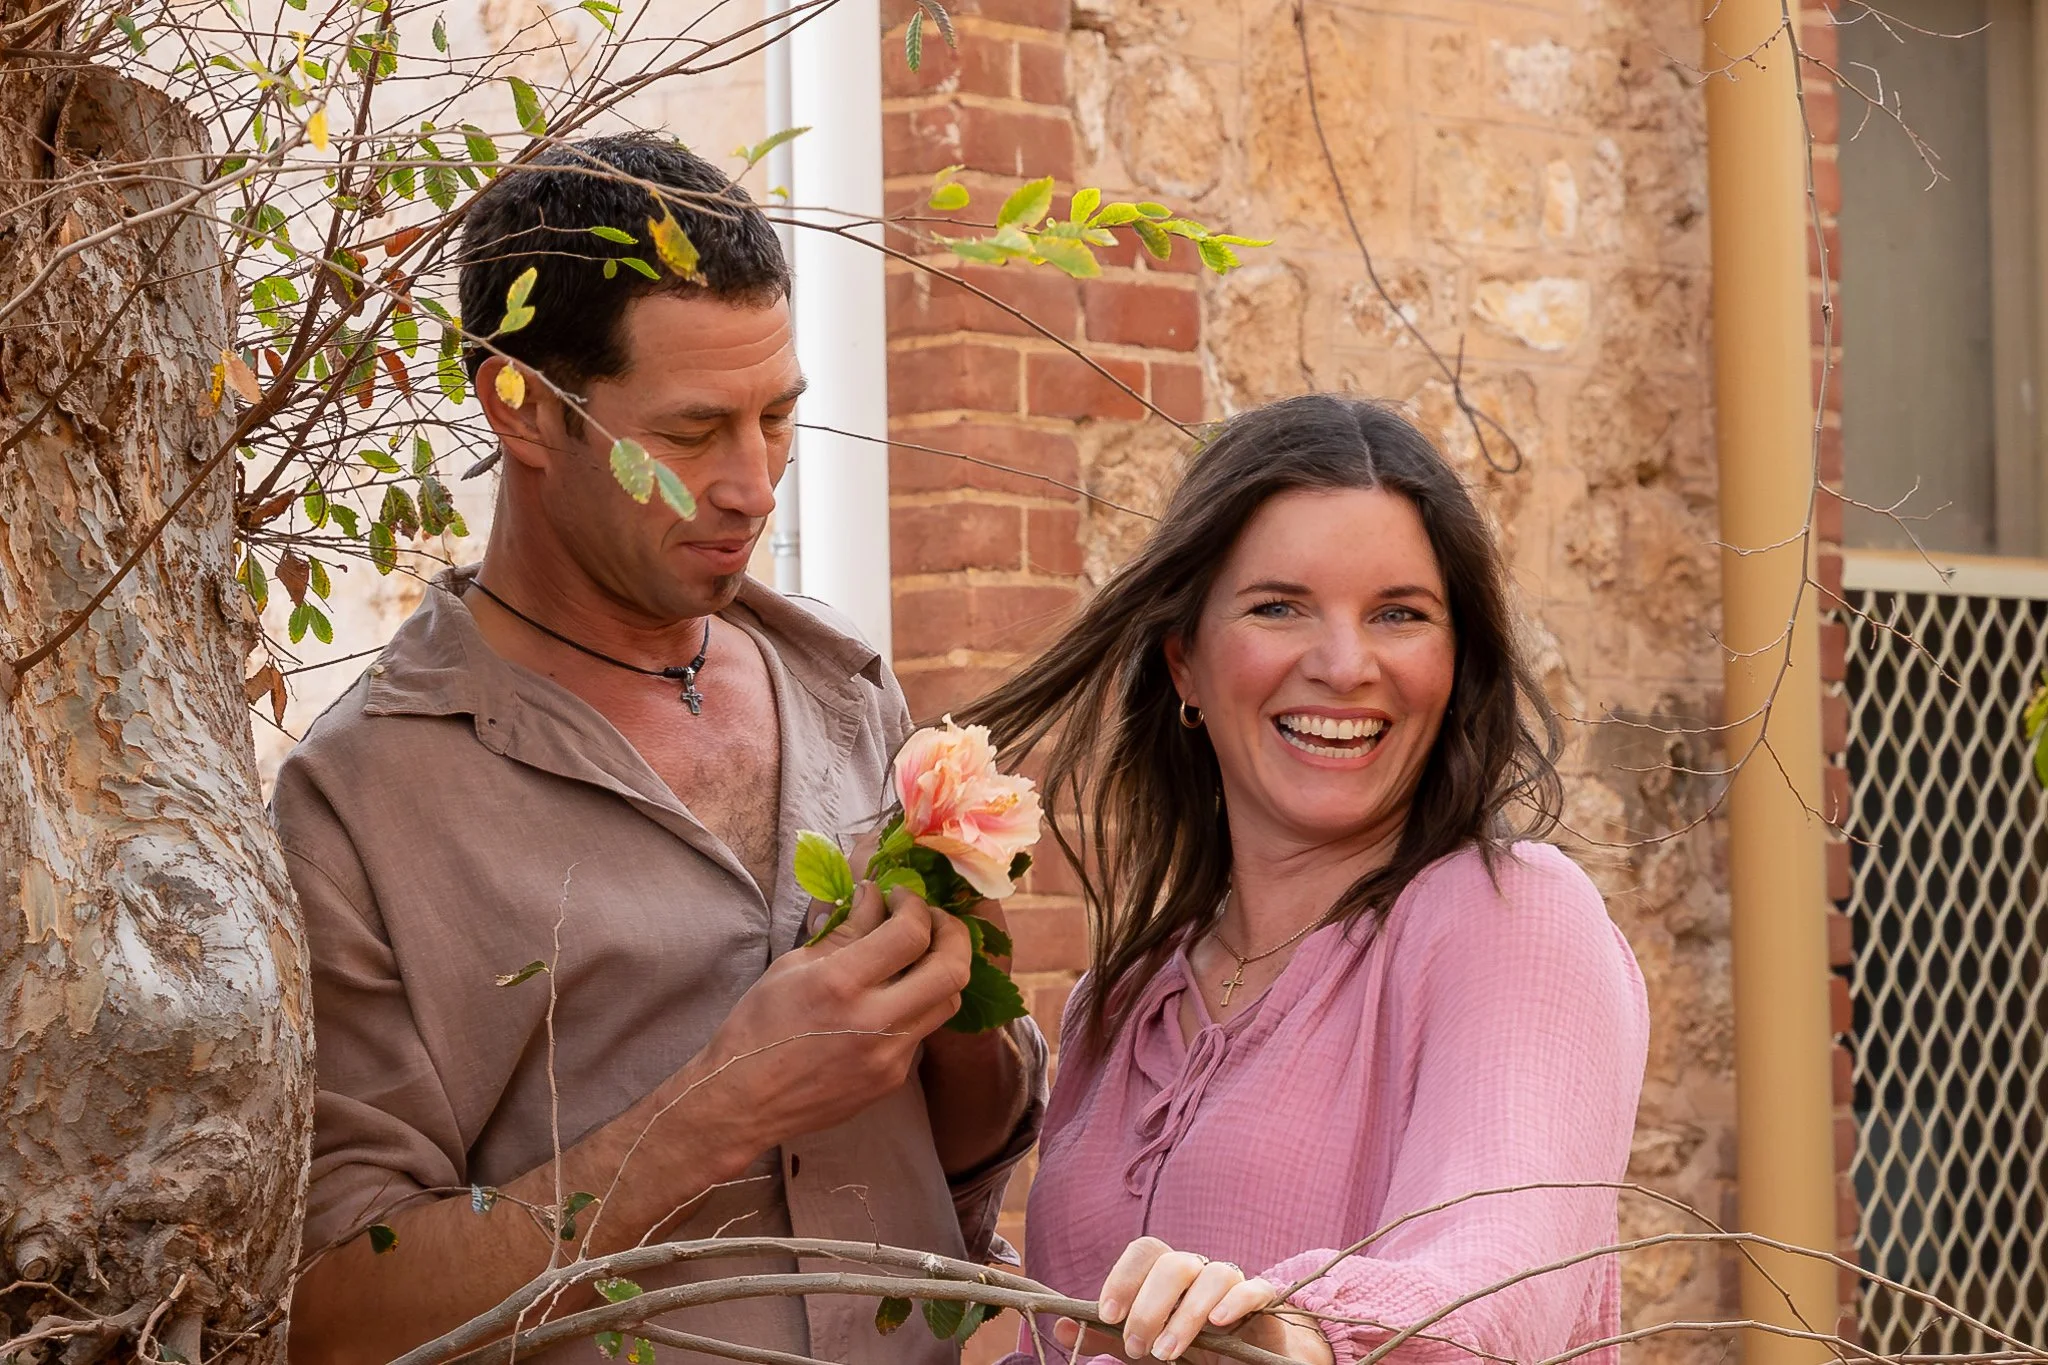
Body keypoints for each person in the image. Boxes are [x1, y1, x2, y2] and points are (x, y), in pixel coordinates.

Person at [276, 133, 1046, 1365]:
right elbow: (335, 1313)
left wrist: (960, 997)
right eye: (692, 432)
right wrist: (712, 1111)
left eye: (777, 418)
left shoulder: (847, 689)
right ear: (522, 407)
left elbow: (960, 1154)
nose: (753, 485)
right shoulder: (359, 805)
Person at [964, 395, 1650, 1365]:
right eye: (1278, 607)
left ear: (1455, 661)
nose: (1343, 664)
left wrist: (1291, 1333)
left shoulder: (1511, 915)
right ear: (1184, 664)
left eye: (1398, 614)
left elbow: (1499, 1284)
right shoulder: (1117, 1006)